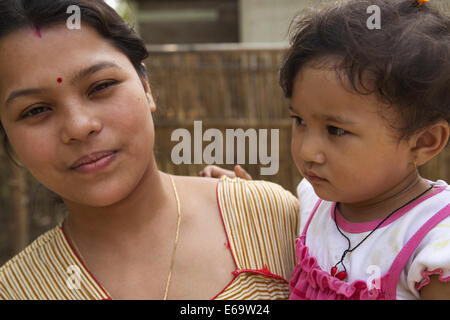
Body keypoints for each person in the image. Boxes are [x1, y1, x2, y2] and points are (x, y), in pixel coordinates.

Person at [0, 0, 300, 300]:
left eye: (100, 86)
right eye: (36, 110)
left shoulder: (271, 219)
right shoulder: (17, 290)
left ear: (146, 87)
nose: (79, 126)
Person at [200, 0, 450, 300]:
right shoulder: (314, 202)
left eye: (336, 130)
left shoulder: (434, 243)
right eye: (299, 120)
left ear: (424, 142)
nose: (307, 151)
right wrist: (246, 195)